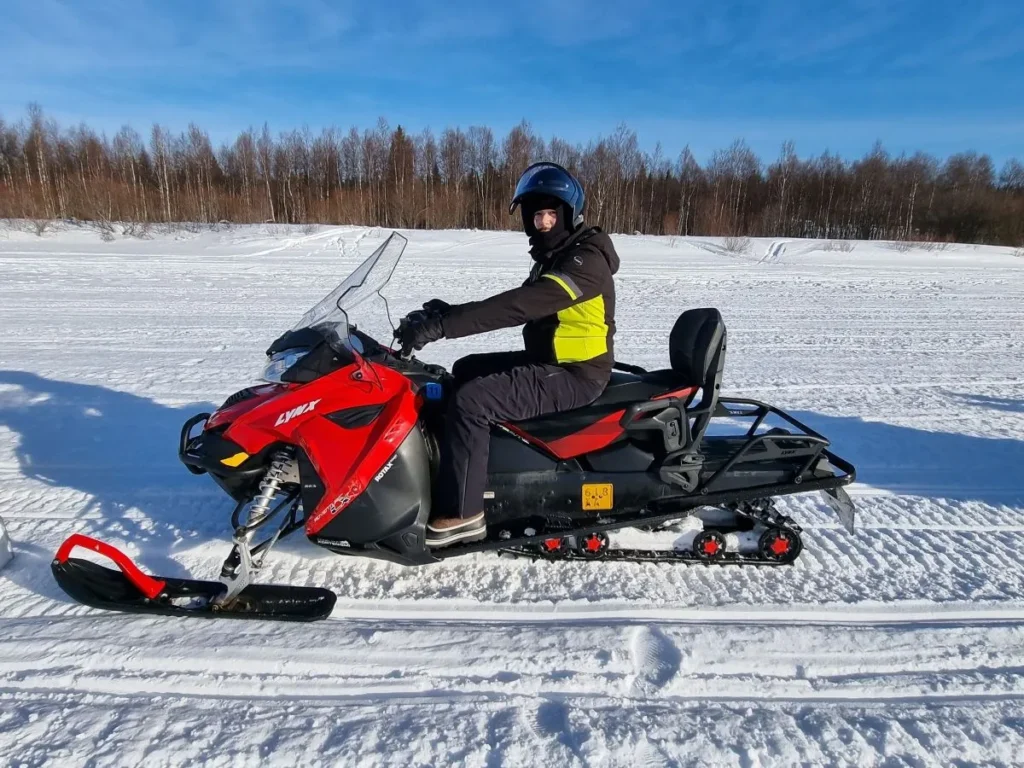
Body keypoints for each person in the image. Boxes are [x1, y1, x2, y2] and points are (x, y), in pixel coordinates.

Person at [398, 162, 620, 547]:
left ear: (570, 214)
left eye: (552, 214)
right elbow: (511, 302)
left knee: (472, 401)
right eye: (537, 215)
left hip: (576, 374)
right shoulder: (557, 258)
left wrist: (445, 326)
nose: (544, 223)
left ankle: (465, 514)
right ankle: (452, 471)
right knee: (463, 371)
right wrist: (446, 311)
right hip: (551, 363)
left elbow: (519, 306)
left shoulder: (585, 263)